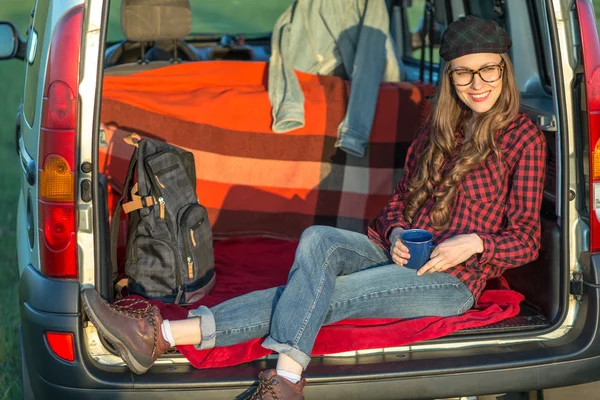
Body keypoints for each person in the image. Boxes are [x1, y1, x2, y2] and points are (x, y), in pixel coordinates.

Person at [81, 15, 547, 400]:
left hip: (452, 281)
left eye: (488, 70)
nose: (477, 83)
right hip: (402, 255)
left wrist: (474, 243)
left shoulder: (522, 136)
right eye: (463, 72)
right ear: (449, 77)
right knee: (318, 239)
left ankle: (220, 354)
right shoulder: (436, 129)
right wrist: (399, 234)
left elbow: (526, 238)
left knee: (330, 295)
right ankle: (266, 375)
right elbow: (398, 207)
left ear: (504, 70)